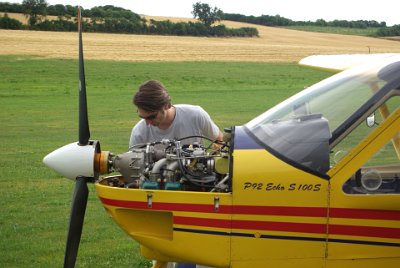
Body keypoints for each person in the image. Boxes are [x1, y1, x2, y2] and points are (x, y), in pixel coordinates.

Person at [129, 79, 223, 149]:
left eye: (152, 117)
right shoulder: (139, 132)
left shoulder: (196, 115)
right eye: (142, 117)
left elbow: (219, 140)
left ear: (166, 105)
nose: (147, 123)